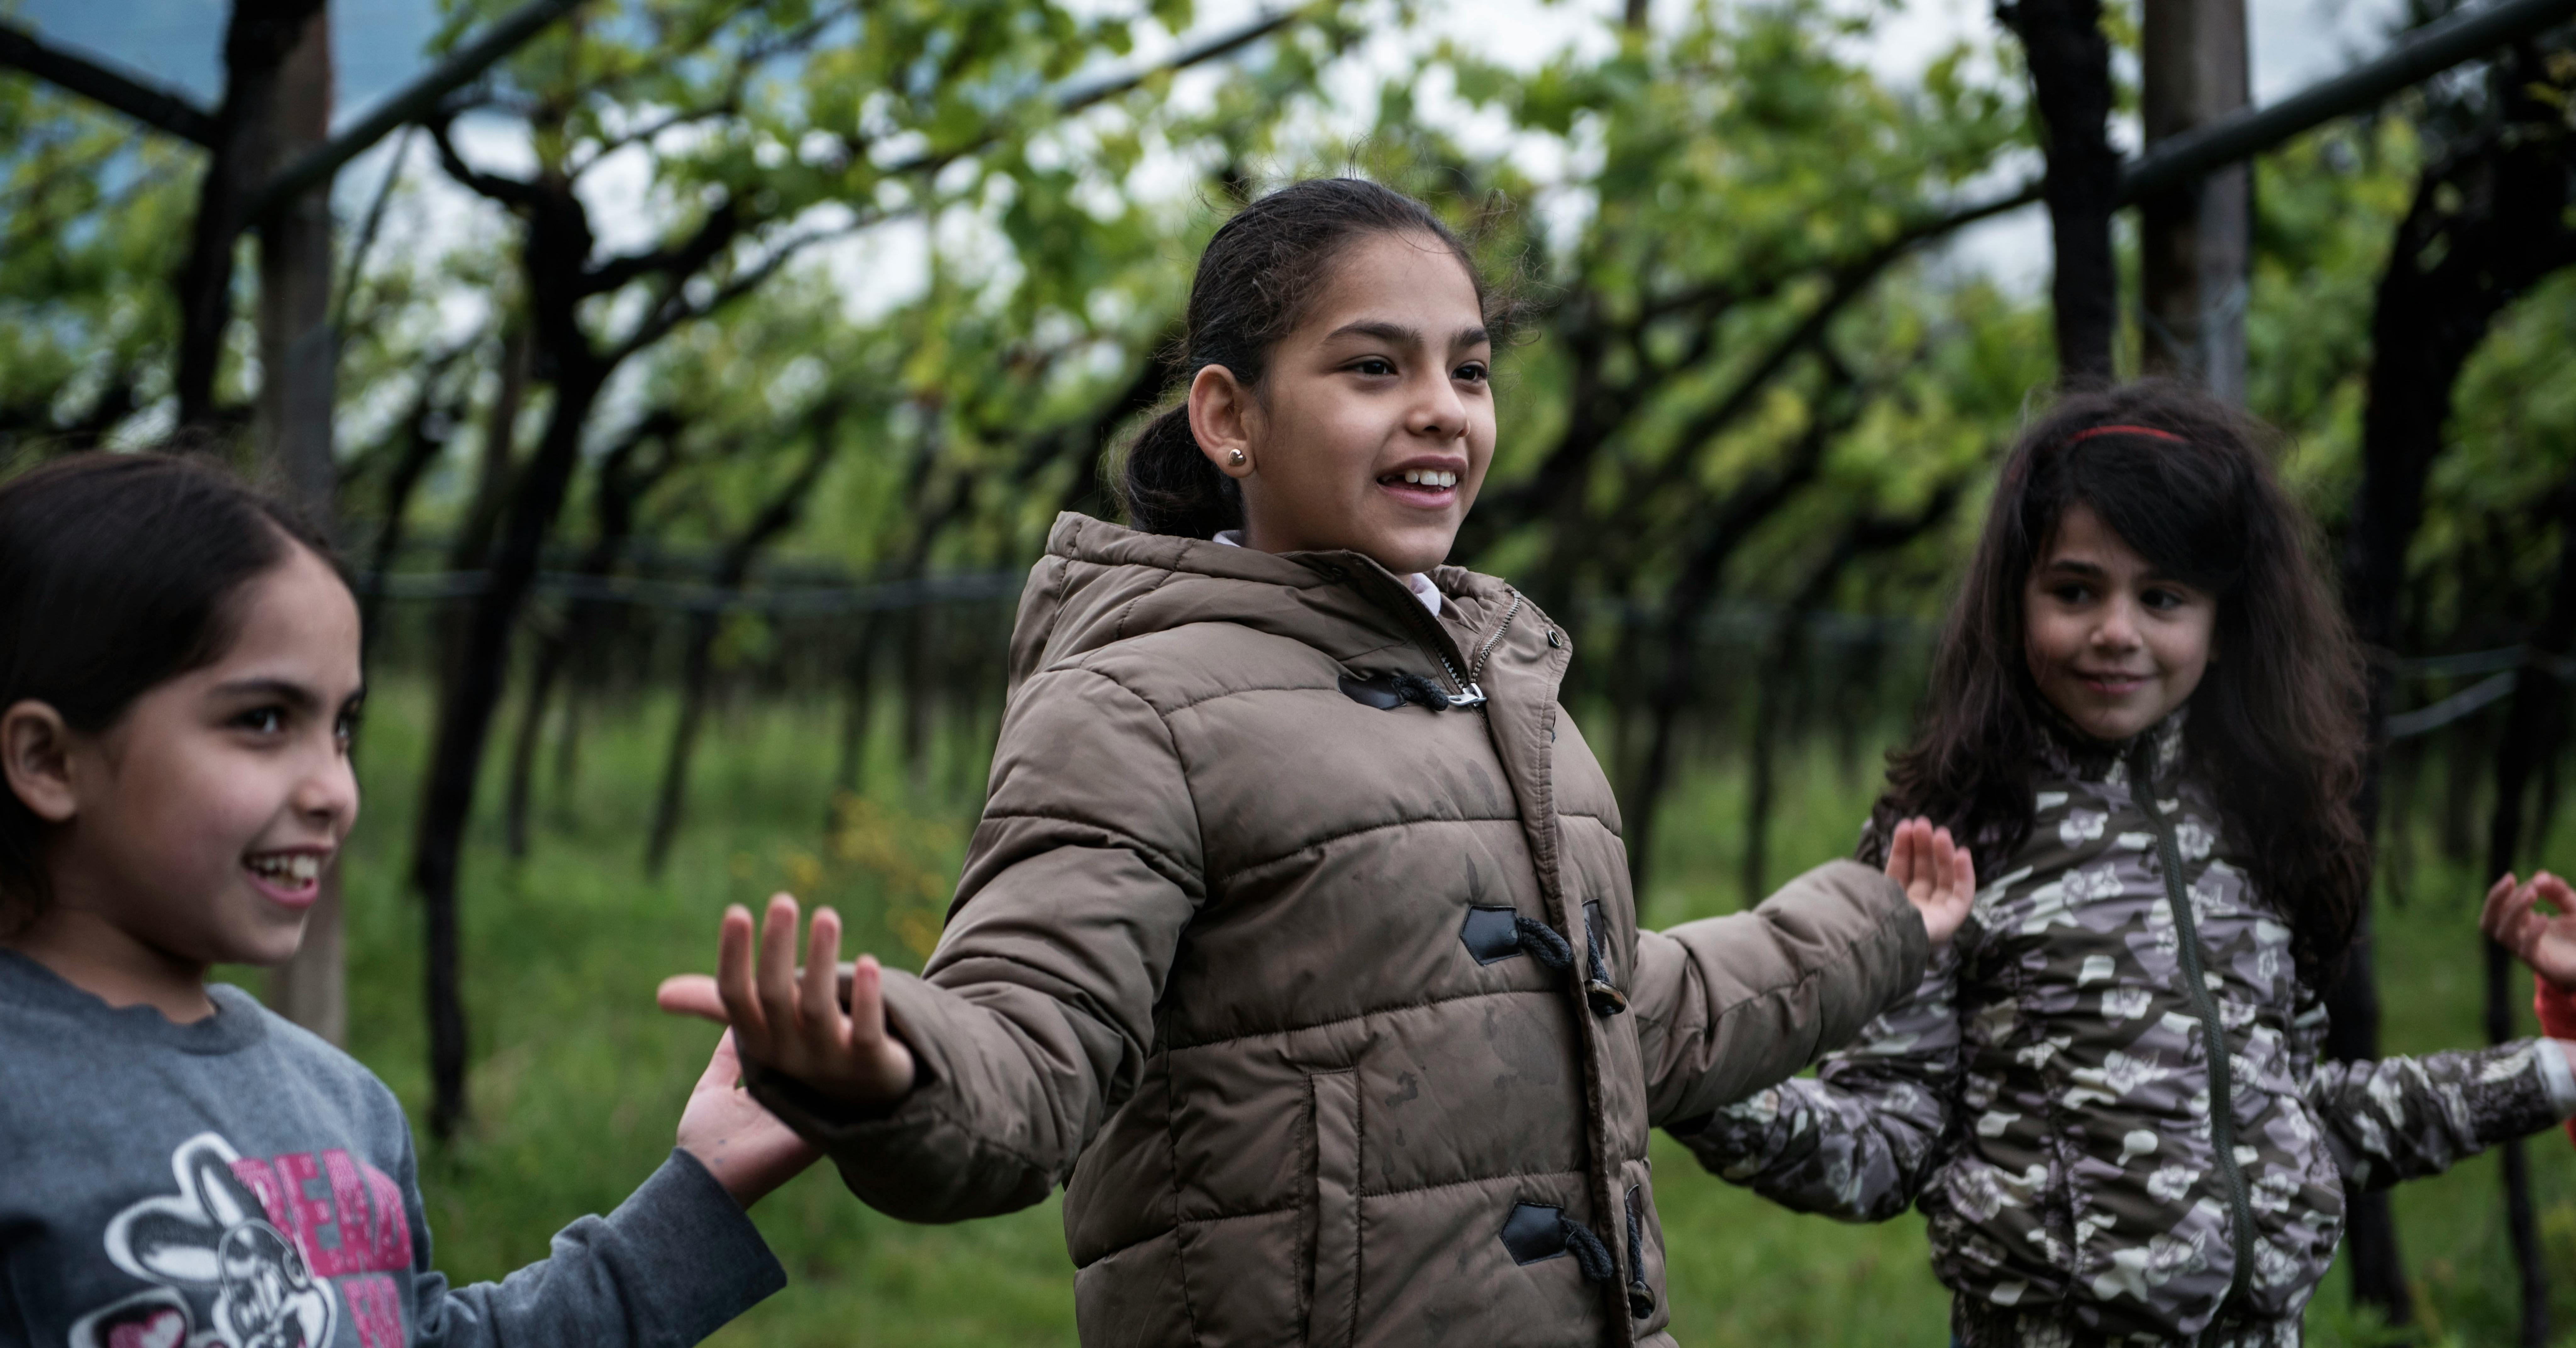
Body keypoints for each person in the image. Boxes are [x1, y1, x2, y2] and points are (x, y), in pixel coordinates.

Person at [656, 175, 1969, 1346]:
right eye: (1371, 369)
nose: (1440, 414)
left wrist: (1872, 919)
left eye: (1468, 372)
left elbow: (1617, 1018)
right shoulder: (1133, 704)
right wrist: (888, 1061)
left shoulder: (1514, 699)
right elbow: (1034, 1031)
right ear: (1229, 419)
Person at [1674, 382, 2576, 1347]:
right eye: (2075, 591)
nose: (2117, 631)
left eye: (2163, 598)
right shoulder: (1956, 838)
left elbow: (2301, 1118)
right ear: (2014, 603)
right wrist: (1680, 1067)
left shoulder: (2269, 827)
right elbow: (1888, 1140)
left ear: (2224, 620)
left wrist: (2556, 1069)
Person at [0, 453, 813, 1347]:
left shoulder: (343, 1104)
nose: (335, 791)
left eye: (341, 727)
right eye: (264, 720)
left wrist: (706, 1185)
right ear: (47, 760)